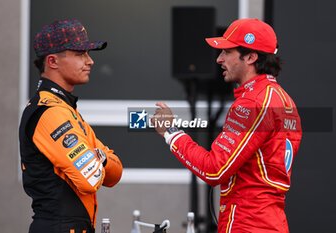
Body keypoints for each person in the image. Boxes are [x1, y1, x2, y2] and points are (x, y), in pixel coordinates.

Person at [152, 18, 302, 233]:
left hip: (247, 223)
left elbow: (214, 170)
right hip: (271, 221)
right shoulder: (285, 100)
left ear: (250, 57)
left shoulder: (253, 102)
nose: (219, 59)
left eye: (227, 52)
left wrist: (172, 133)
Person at [19, 19, 123, 233]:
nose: (90, 61)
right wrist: (101, 156)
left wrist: (99, 157)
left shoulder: (67, 109)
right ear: (52, 61)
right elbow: (90, 179)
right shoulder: (50, 112)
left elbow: (116, 172)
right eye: (80, 54)